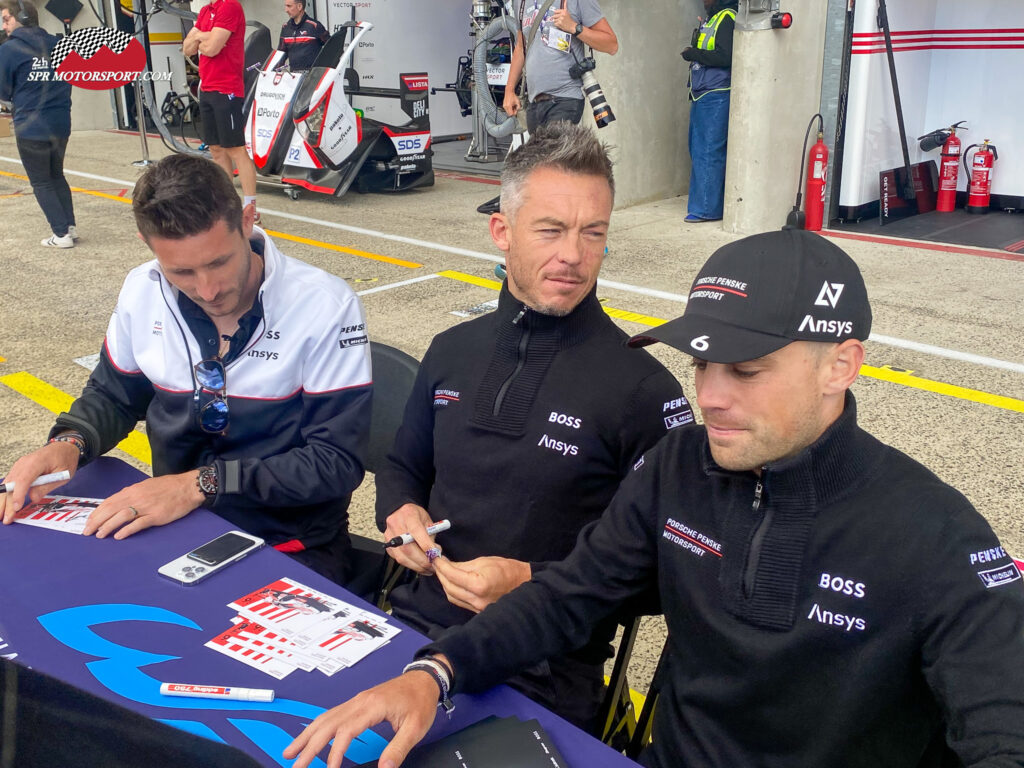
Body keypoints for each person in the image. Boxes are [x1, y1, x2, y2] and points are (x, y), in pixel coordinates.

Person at [284, 229, 1024, 768]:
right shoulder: (678, 467)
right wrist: (433, 673)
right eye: (701, 364)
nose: (712, 397)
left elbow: (1004, 727)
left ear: (842, 365)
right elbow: (568, 595)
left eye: (746, 369)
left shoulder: (940, 538)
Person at [373, 121, 693, 732]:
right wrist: (401, 514)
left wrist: (531, 581)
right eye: (550, 230)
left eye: (592, 233)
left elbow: (667, 574)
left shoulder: (645, 391)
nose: (572, 255)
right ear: (502, 231)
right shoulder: (450, 349)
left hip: (543, 663)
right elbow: (402, 468)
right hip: (407, 627)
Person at [0, 154, 372, 586]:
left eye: (219, 262)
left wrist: (197, 485)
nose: (208, 290)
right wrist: (69, 443)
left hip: (289, 542)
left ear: (248, 220)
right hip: (174, 522)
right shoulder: (141, 289)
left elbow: (335, 462)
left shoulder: (326, 305)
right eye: (181, 272)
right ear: (146, 241)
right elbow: (114, 396)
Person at [477, 0, 617, 215]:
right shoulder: (521, 4)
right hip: (535, 103)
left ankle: (576, 230)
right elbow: (521, 48)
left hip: (565, 98)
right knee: (548, 171)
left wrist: (575, 28)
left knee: (554, 169)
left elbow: (611, 44)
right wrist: (509, 90)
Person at [0, 0, 77, 248]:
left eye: (6, 19)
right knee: (56, 175)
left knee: (42, 181)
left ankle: (61, 234)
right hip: (60, 121)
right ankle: (69, 227)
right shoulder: (59, 44)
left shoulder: (9, 50)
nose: (4, 25)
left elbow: (3, 90)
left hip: (31, 125)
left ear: (20, 19)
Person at [183, 0, 260, 218]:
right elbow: (188, 49)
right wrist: (202, 38)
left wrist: (200, 38)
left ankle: (251, 208)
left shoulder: (230, 6)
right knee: (216, 149)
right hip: (206, 87)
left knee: (235, 149)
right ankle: (228, 204)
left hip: (227, 89)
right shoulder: (206, 11)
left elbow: (212, 48)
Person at [681, 0, 737, 223]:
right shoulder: (715, 17)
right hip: (702, 91)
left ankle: (705, 209)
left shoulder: (727, 17)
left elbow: (725, 57)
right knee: (698, 149)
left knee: (708, 152)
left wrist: (693, 53)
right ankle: (705, 205)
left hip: (715, 92)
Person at [276, 0, 329, 71]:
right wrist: (273, 74)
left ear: (299, 6)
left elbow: (332, 47)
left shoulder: (314, 26)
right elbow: (281, 54)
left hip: (312, 76)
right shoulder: (285, 27)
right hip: (294, 77)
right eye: (285, 6)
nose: (286, 10)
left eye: (289, 6)